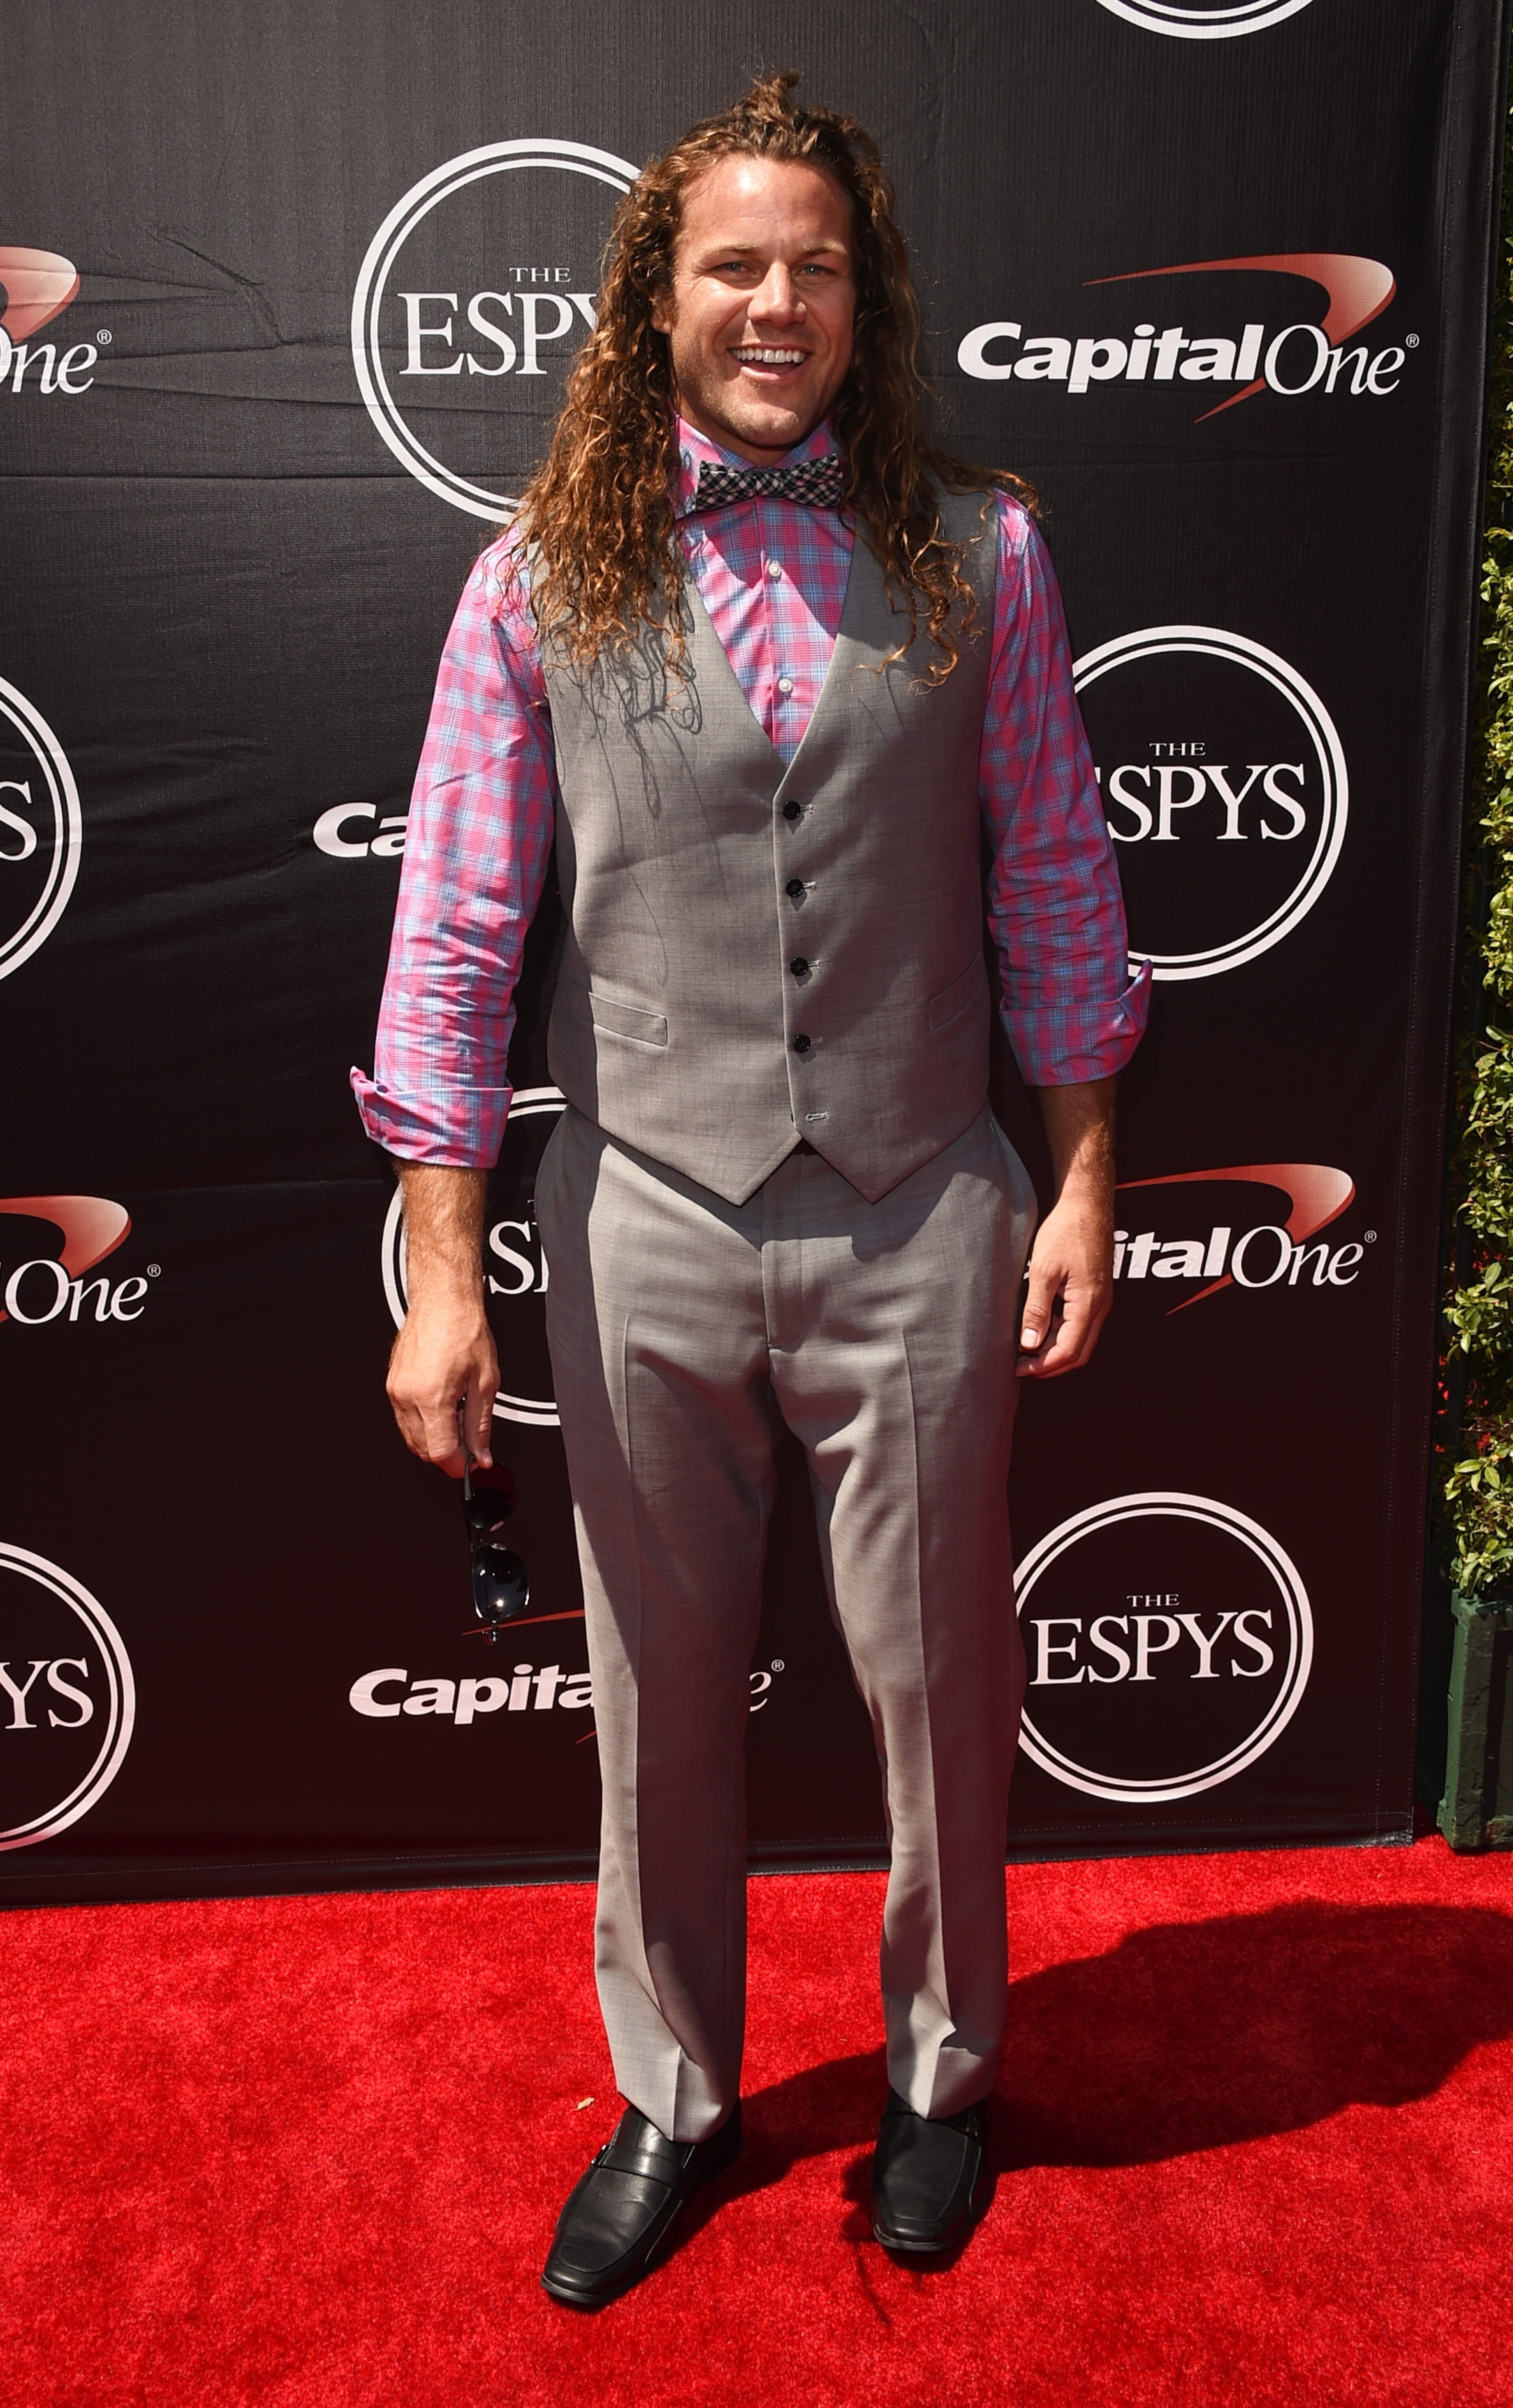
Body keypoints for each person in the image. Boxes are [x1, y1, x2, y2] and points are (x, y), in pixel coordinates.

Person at [353, 71, 1148, 2307]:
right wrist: (439, 1273)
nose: (774, 300)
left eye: (815, 263)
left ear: (862, 295)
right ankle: (678, 2098)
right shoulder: (532, 579)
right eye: (732, 263)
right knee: (659, 1694)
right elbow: (455, 934)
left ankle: (942, 2077)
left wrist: (1082, 1179)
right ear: (657, 300)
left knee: (931, 1688)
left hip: (923, 1209)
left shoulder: (982, 545)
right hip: (643, 1230)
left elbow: (1060, 882)